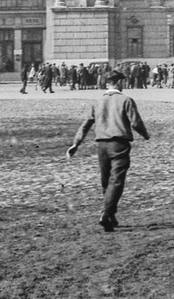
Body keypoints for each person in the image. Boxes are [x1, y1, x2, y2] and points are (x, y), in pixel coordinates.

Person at [66, 70, 151, 232]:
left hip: (102, 146)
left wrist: (75, 144)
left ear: (106, 83)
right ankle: (106, 213)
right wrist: (145, 134)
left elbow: (85, 125)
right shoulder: (126, 100)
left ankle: (111, 214)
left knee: (106, 181)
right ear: (119, 83)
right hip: (119, 144)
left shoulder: (97, 102)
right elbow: (135, 123)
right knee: (117, 181)